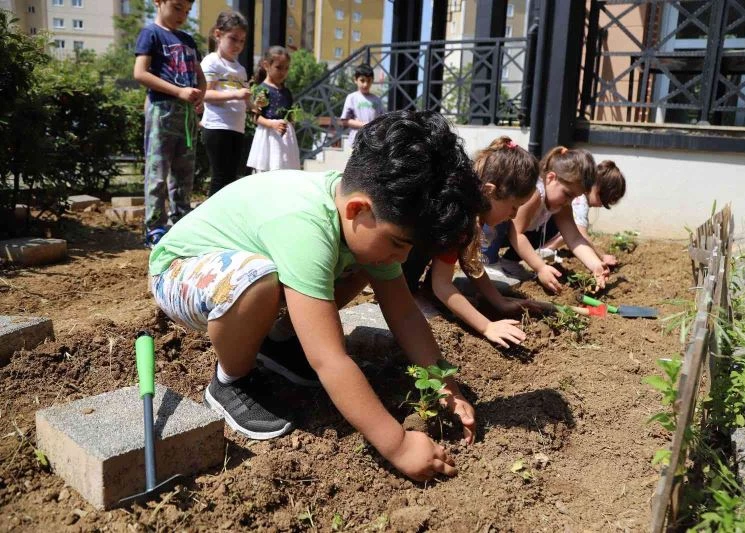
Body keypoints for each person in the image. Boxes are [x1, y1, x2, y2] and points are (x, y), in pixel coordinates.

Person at [148, 111, 482, 481]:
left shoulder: (358, 217)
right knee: (256, 280)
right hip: (180, 273)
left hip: (242, 271)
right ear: (359, 209)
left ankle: (279, 344)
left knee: (364, 258)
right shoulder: (305, 225)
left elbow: (403, 313)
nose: (403, 258)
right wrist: (398, 445)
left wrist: (445, 385)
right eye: (399, 244)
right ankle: (231, 380)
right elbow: (329, 360)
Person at [403, 137, 543, 348]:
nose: (514, 216)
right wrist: (487, 326)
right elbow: (442, 285)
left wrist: (499, 302)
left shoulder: (467, 203)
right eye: (514, 206)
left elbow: (470, 262)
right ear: (489, 191)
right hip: (395, 262)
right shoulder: (459, 215)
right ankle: (408, 290)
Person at [484, 146, 609, 293]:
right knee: (505, 216)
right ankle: (488, 262)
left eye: (575, 197)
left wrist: (595, 265)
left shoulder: (562, 205)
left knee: (553, 227)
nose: (570, 202)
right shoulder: (535, 193)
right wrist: (540, 267)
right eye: (568, 194)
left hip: (513, 234)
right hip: (495, 228)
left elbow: (574, 238)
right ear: (551, 178)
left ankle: (509, 263)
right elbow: (516, 233)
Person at [133, 0, 206, 248]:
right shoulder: (150, 33)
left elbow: (200, 76)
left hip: (186, 115)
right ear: (158, 2)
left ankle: (182, 223)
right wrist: (178, 91)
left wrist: (200, 98)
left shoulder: (187, 39)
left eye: (186, 11)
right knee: (157, 174)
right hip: (161, 111)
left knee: (184, 174)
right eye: (177, 7)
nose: (182, 15)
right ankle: (154, 228)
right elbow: (140, 73)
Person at [533, 160, 627, 267]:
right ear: (597, 187)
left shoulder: (579, 197)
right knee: (574, 230)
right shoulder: (581, 202)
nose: (601, 205)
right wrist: (602, 256)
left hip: (544, 227)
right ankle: (547, 249)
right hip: (541, 230)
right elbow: (581, 235)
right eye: (603, 200)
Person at [200, 11, 250, 196]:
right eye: (233, 39)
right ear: (218, 34)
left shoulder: (241, 69)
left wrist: (254, 105)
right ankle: (212, 219)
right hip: (217, 126)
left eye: (242, 41)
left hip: (237, 128)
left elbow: (245, 99)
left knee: (231, 178)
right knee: (220, 177)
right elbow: (206, 93)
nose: (238, 45)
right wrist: (236, 94)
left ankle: (225, 218)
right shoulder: (211, 61)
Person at [246, 46, 301, 172]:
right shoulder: (262, 90)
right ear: (266, 65)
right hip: (269, 135)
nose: (283, 72)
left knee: (285, 169)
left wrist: (292, 120)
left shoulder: (286, 92)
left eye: (286, 68)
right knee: (268, 169)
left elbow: (289, 112)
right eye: (278, 67)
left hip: (285, 136)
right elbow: (255, 117)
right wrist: (272, 124)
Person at [340, 63, 385, 149]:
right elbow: (345, 121)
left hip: (373, 141)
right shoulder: (352, 98)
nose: (365, 84)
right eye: (362, 80)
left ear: (372, 80)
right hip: (356, 141)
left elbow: (382, 120)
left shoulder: (377, 100)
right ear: (355, 80)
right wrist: (365, 124)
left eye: (368, 81)